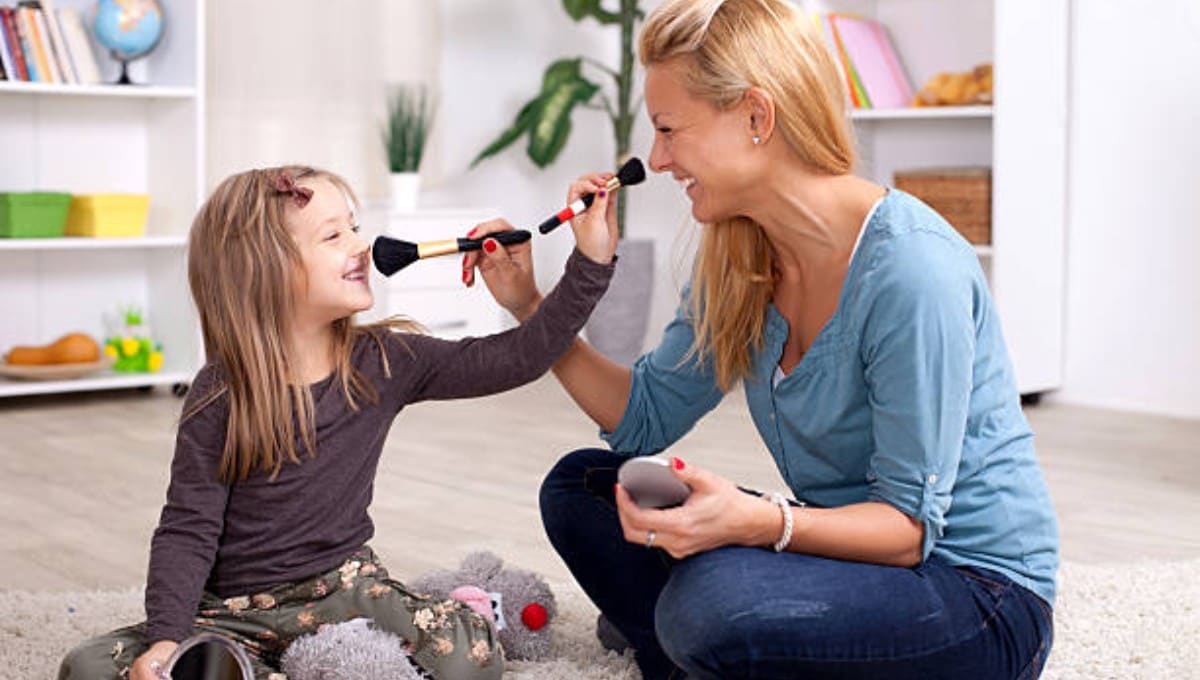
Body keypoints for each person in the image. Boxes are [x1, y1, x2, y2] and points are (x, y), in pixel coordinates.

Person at [472, 0, 1060, 678]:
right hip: (845, 558)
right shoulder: (739, 256)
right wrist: (530, 304)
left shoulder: (909, 268)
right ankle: (720, 644)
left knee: (712, 609)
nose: (657, 160)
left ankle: (700, 638)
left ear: (756, 117)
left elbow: (906, 532)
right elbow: (642, 419)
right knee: (582, 489)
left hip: (973, 595)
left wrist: (758, 523)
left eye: (668, 130)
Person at [57, 164, 618, 680]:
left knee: (470, 662)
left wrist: (589, 263)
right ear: (264, 271)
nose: (361, 246)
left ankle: (464, 606)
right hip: (234, 613)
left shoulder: (386, 360)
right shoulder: (219, 393)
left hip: (345, 595)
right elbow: (188, 527)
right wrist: (165, 640)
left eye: (354, 227)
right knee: (85, 668)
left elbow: (518, 357)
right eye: (334, 236)